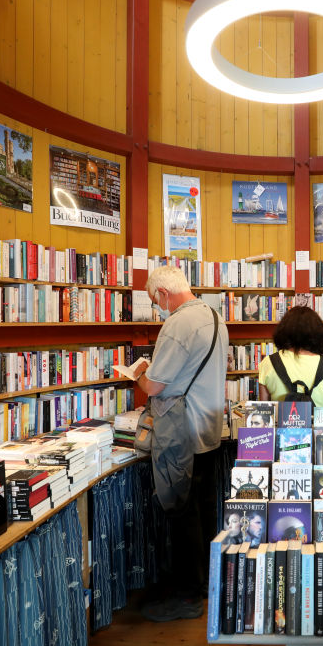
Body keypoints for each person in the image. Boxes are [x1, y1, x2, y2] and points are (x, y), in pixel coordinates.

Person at [133, 266, 228, 622]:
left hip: (182, 432)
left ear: (162, 293)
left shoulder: (177, 324)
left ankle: (188, 597)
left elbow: (155, 386)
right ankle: (202, 586)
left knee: (182, 513)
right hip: (209, 429)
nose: (156, 308)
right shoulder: (214, 316)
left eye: (153, 300)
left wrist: (139, 373)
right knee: (201, 512)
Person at [257, 306, 323, 408]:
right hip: (316, 424)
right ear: (317, 333)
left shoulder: (269, 362)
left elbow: (264, 411)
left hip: (282, 423)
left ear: (283, 331)